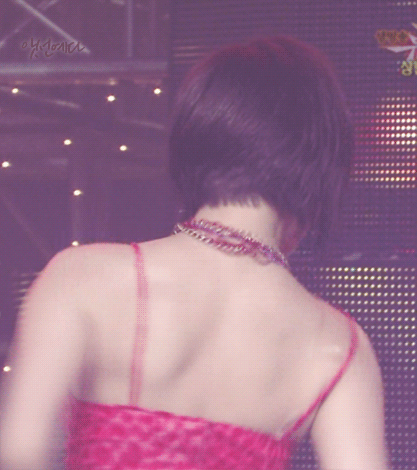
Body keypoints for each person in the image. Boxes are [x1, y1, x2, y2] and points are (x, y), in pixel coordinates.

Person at [0, 36, 389, 470]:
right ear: (319, 168)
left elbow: (20, 455)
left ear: (197, 134)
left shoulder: (82, 277)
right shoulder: (339, 346)